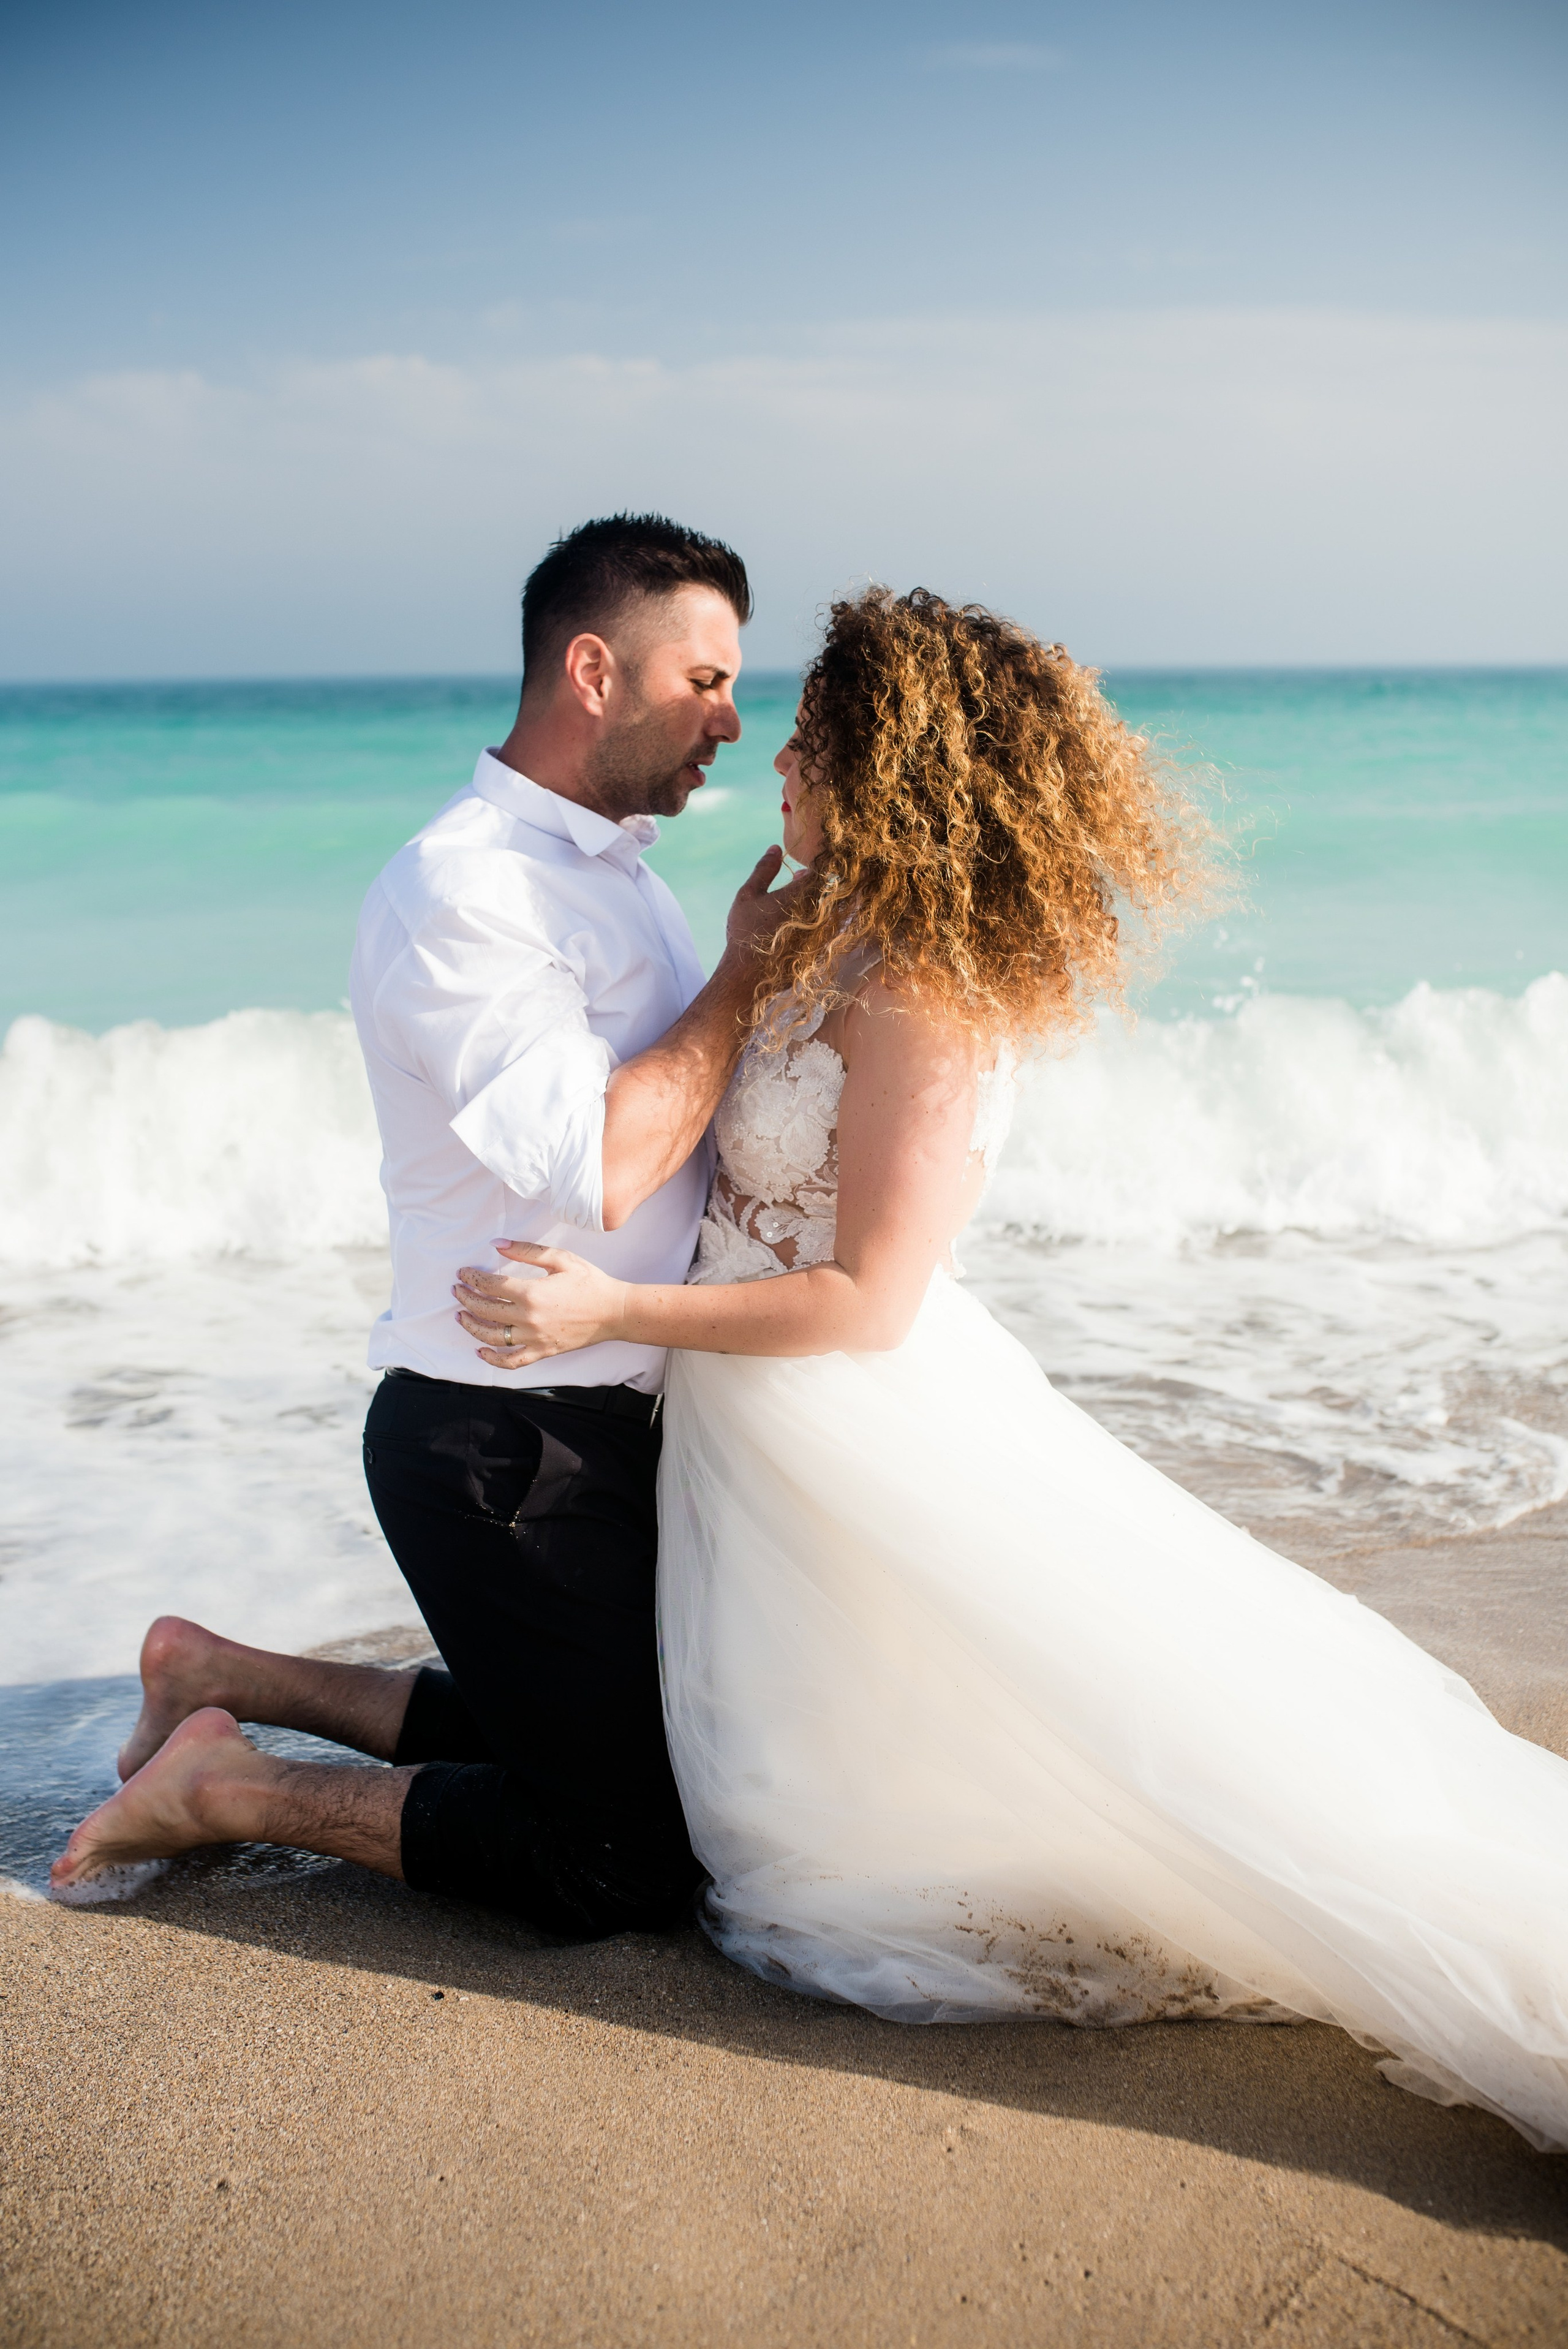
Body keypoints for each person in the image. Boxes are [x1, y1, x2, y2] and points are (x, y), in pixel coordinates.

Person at [443, 585, 1568, 2152]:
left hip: (842, 1421)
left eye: (810, 737)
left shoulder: (924, 986)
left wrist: (605, 1317)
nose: (774, 755)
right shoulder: (827, 937)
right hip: (757, 1445)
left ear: (884, 770)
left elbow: (865, 1299)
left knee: (876, 1846)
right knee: (772, 1784)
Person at [52, 512, 797, 1937]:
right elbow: (601, 1162)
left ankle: (230, 1675)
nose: (729, 717)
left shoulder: (616, 872)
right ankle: (233, 1788)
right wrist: (747, 977)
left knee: (680, 1767)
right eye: (702, 680)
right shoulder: (463, 892)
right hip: (502, 1440)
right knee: (626, 1865)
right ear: (593, 670)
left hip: (616, 1418)